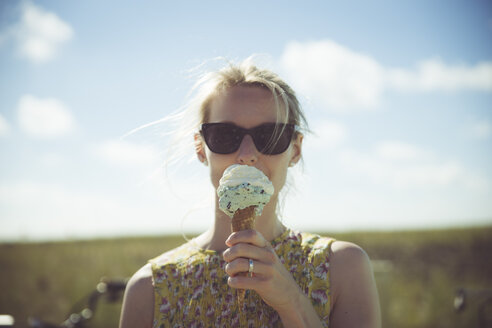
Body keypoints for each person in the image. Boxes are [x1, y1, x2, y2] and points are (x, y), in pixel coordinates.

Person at [119, 58, 381, 328]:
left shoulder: (342, 268)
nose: (247, 155)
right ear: (200, 148)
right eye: (224, 135)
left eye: (270, 136)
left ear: (296, 149)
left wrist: (292, 302)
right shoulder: (149, 288)